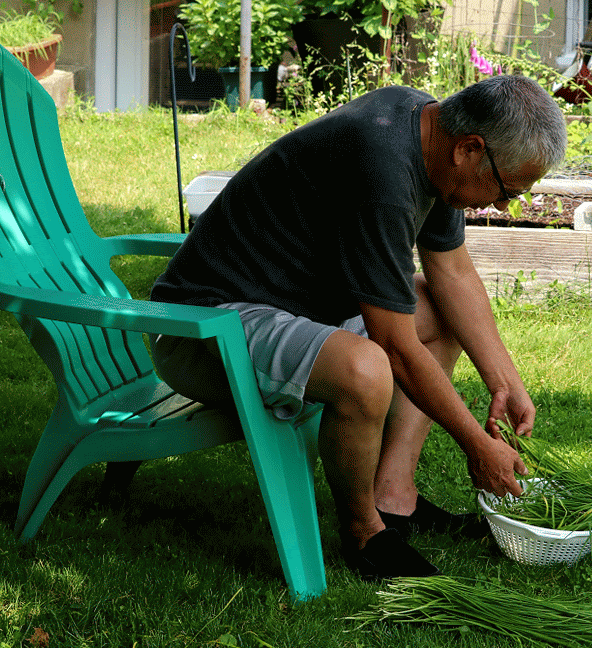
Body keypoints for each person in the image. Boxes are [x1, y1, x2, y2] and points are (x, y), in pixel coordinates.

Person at [150, 74, 568, 579]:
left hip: (293, 309)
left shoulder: (429, 134)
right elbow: (395, 345)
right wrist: (477, 446)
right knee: (366, 370)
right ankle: (365, 532)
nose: (502, 205)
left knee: (438, 311)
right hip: (203, 326)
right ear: (469, 149)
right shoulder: (383, 169)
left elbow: (453, 274)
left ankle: (394, 496)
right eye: (506, 189)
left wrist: (506, 381)